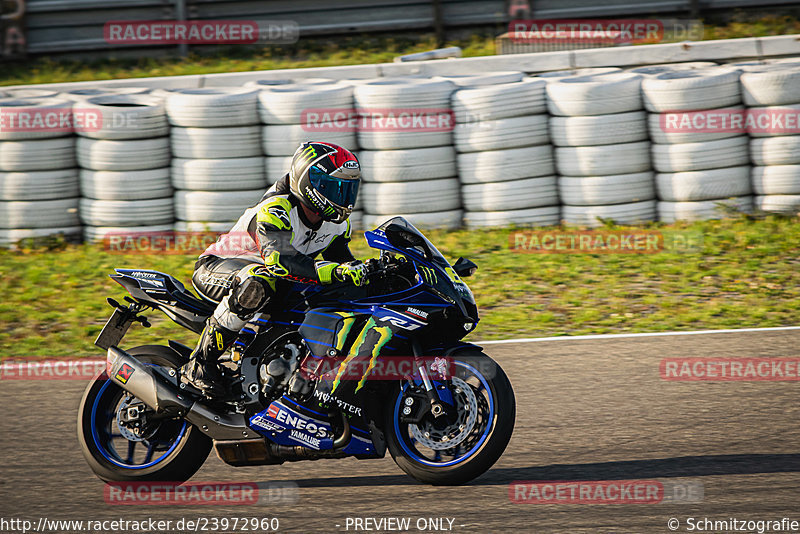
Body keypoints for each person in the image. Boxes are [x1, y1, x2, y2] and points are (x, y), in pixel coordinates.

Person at [183, 141, 369, 399]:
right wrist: (334, 271)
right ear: (311, 183)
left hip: (276, 280)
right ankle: (199, 365)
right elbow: (281, 261)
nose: (344, 198)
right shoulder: (276, 208)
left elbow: (342, 264)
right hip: (218, 268)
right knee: (258, 282)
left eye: (348, 189)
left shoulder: (338, 225)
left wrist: (367, 269)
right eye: (335, 188)